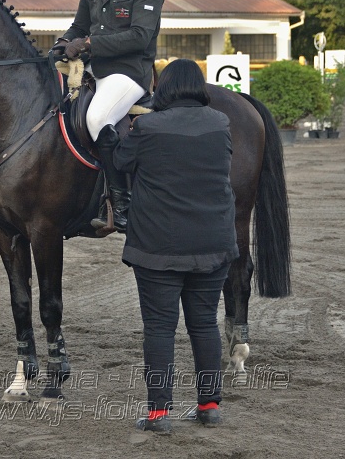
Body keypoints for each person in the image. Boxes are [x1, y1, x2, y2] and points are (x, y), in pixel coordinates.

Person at [112, 59, 236, 434]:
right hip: (213, 243)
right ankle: (210, 406)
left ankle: (158, 414)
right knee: (204, 325)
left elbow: (120, 161)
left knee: (160, 329)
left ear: (163, 87)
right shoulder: (221, 123)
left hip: (159, 247)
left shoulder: (147, 126)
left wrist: (109, 138)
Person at [51, 0, 164, 233]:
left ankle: (122, 201)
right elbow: (79, 25)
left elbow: (141, 37)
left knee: (97, 117)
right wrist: (62, 43)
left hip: (129, 72)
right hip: (92, 69)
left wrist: (88, 46)